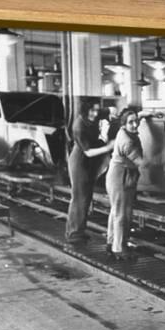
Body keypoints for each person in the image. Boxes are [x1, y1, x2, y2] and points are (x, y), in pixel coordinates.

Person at [65, 98, 115, 244]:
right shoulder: (78, 126)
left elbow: (110, 111)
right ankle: (73, 232)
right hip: (80, 160)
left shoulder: (94, 114)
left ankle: (80, 230)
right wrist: (108, 147)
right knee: (79, 196)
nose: (95, 113)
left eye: (96, 110)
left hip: (89, 161)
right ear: (85, 110)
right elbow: (87, 152)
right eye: (92, 111)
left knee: (86, 197)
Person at [105, 110, 143, 259]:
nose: (135, 125)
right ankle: (119, 249)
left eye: (136, 121)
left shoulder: (123, 132)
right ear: (124, 124)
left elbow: (138, 116)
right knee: (122, 214)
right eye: (131, 122)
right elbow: (141, 163)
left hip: (119, 174)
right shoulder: (127, 141)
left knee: (115, 211)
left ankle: (111, 242)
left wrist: (147, 114)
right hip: (120, 176)